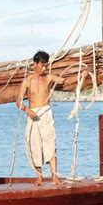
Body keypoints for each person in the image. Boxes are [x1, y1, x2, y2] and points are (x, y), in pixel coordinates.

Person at [16, 51, 65, 186]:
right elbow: (18, 101)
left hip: (46, 114)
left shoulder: (49, 78)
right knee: (34, 145)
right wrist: (27, 110)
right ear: (35, 64)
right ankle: (39, 177)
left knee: (50, 143)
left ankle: (55, 176)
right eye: (42, 65)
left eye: (46, 66)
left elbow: (63, 80)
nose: (44, 68)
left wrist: (81, 74)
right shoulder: (27, 81)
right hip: (33, 115)